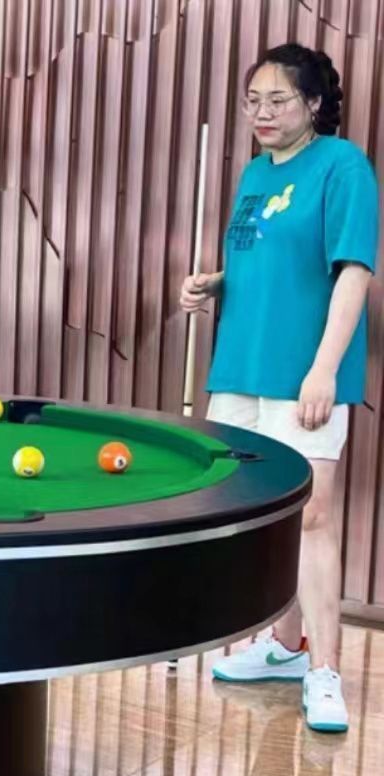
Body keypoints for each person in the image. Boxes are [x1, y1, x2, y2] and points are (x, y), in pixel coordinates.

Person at [180, 44, 378, 733]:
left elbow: (353, 272)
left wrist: (324, 369)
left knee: (313, 516)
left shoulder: (343, 167)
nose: (262, 113)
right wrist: (213, 284)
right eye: (253, 101)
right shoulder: (255, 173)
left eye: (278, 100)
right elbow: (265, 265)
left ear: (314, 103)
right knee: (263, 516)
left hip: (304, 374)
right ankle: (285, 648)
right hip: (240, 367)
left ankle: (324, 670)